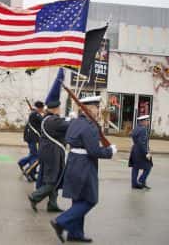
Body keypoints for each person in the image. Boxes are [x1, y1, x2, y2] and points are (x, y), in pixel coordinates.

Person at [50, 96, 117, 243]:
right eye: (97, 107)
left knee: (78, 200)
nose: (98, 110)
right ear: (90, 108)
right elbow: (94, 151)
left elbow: (72, 140)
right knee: (90, 200)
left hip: (73, 163)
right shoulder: (89, 126)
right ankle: (61, 222)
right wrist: (110, 151)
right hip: (84, 166)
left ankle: (75, 234)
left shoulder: (75, 122)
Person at [28, 100, 68, 213]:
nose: (60, 110)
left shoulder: (48, 118)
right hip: (52, 153)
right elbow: (66, 125)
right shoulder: (52, 120)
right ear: (55, 109)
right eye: (59, 108)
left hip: (50, 152)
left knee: (54, 177)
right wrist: (75, 119)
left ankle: (52, 204)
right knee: (54, 180)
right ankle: (35, 196)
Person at [18, 100, 44, 182]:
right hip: (34, 138)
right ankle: (29, 171)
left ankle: (23, 163)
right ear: (40, 108)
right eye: (42, 108)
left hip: (32, 138)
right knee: (36, 156)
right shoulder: (35, 114)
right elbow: (44, 121)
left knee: (33, 154)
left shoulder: (34, 113)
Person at [129, 115, 153, 189]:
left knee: (135, 167)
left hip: (135, 150)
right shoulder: (143, 129)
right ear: (143, 122)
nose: (148, 122)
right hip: (141, 151)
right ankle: (141, 181)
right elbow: (142, 143)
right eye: (147, 121)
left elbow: (134, 138)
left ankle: (134, 184)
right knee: (149, 166)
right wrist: (146, 153)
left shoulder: (136, 128)